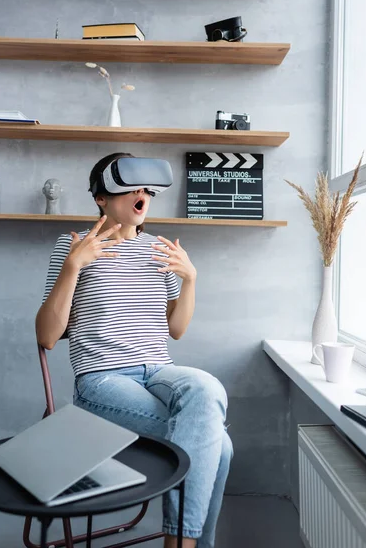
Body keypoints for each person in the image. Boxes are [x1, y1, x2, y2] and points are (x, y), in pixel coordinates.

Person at [36, 152, 233, 548]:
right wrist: (74, 267)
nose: (141, 194)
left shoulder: (158, 250)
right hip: (103, 379)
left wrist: (190, 280)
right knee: (219, 445)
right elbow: (46, 337)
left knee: (205, 387)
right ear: (101, 198)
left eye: (147, 188)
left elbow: (175, 330)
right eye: (130, 187)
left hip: (159, 372)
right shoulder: (73, 245)